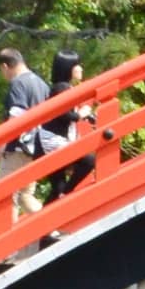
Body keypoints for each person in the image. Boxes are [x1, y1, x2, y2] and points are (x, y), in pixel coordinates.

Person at [43, 46, 96, 196]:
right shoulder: (62, 88)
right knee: (89, 160)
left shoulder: (63, 87)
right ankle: (67, 192)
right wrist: (79, 115)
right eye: (77, 65)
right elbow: (62, 113)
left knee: (57, 187)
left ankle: (62, 195)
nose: (80, 68)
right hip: (54, 140)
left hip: (55, 138)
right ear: (68, 68)